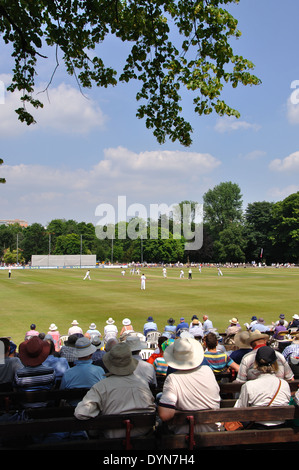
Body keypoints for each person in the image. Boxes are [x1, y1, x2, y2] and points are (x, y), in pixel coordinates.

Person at [74, 342, 156, 438]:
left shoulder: (101, 386)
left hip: (113, 440)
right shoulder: (142, 383)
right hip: (145, 437)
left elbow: (81, 413)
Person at [158, 337, 223, 434]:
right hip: (212, 430)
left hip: (183, 433)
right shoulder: (207, 371)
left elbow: (165, 415)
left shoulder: (172, 378)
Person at [234, 346, 291, 429]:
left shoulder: (249, 385)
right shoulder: (284, 384)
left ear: (256, 364)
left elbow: (241, 410)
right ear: (275, 363)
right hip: (281, 428)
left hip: (257, 429)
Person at [14, 336, 56, 407]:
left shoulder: (19, 374)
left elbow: (16, 391)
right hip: (45, 407)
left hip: (26, 407)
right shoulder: (50, 371)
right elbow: (52, 388)